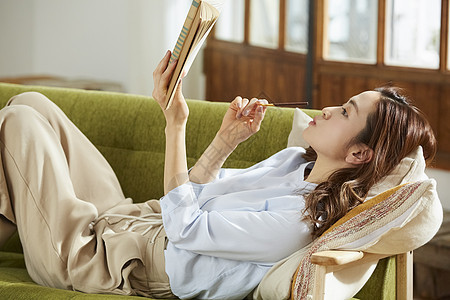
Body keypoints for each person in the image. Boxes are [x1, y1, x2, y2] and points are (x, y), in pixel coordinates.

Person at [0, 50, 436, 299]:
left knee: (16, 122)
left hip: (99, 261)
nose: (327, 110)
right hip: (129, 218)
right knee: (33, 103)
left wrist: (176, 124)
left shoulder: (298, 224)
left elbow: (185, 225)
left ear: (360, 152)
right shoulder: (292, 166)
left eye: (345, 112)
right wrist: (227, 141)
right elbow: (189, 195)